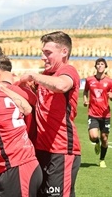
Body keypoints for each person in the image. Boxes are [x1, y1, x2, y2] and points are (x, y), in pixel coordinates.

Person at [20, 31, 81, 197]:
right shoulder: (45, 76)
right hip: (40, 149)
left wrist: (34, 75)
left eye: (48, 53)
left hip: (61, 151)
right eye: (42, 53)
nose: (43, 57)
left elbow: (61, 85)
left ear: (64, 52)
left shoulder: (68, 71)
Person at [83, 57, 112, 168]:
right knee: (93, 136)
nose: (100, 66)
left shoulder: (109, 82)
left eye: (102, 64)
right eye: (98, 64)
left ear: (105, 66)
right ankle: (96, 143)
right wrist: (85, 99)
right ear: (96, 66)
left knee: (105, 138)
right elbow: (85, 91)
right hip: (93, 113)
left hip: (105, 115)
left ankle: (102, 159)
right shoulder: (89, 80)